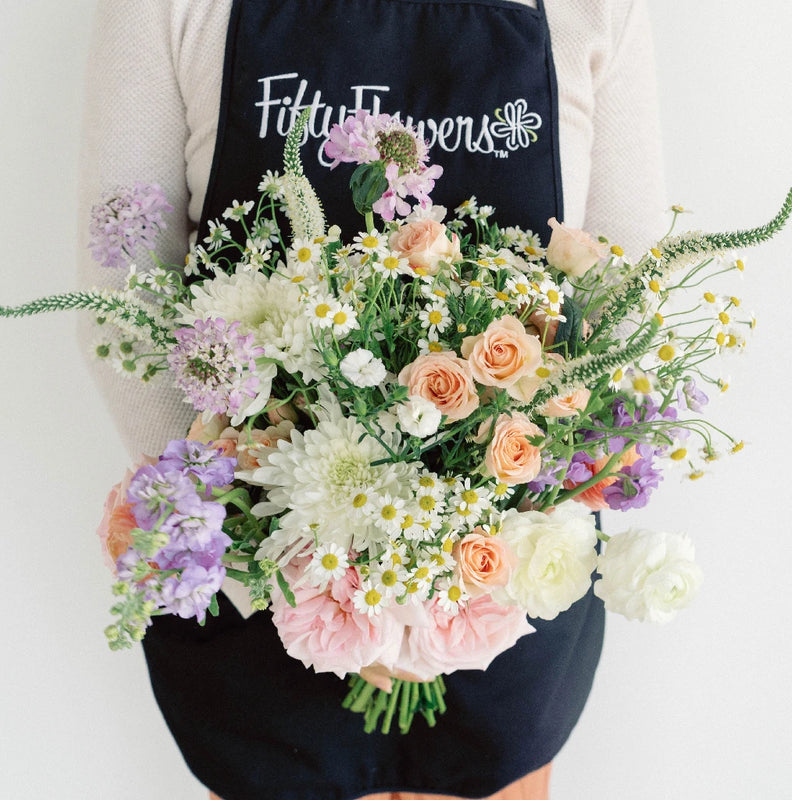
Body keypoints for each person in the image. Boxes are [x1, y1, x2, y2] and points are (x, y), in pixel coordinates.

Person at [78, 1, 665, 798]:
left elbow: (620, 299)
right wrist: (279, 554)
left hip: (503, 585)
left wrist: (441, 576)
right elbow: (125, 291)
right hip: (261, 588)